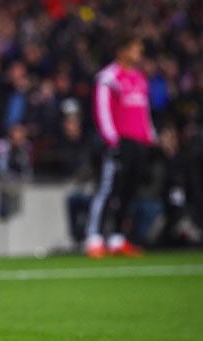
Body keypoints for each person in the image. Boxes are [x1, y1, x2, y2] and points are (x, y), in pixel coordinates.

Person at [85, 33, 157, 258]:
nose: (139, 54)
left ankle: (117, 238)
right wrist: (112, 139)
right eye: (135, 49)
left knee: (129, 191)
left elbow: (144, 112)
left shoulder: (139, 78)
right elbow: (102, 111)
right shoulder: (108, 77)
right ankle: (94, 238)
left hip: (139, 142)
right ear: (122, 50)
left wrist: (150, 136)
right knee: (108, 189)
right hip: (119, 141)